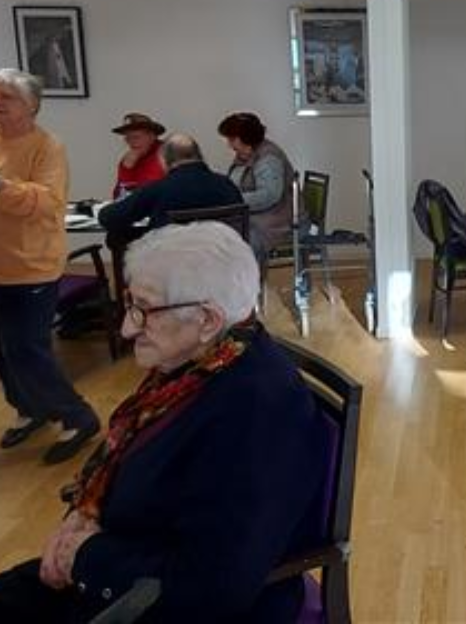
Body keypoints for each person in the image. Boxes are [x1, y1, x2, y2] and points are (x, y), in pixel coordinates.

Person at [0, 222, 331, 621]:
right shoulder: (201, 364)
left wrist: (84, 555)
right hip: (123, 560)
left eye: (144, 310)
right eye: (130, 304)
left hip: (152, 599)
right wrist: (80, 519)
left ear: (207, 320)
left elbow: (209, 588)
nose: (127, 327)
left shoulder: (258, 413)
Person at [0, 69, 100, 465]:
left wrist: (3, 187)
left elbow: (45, 202)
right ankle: (30, 409)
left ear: (31, 106)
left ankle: (78, 417)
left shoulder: (48, 147)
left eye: (6, 97)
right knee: (4, 349)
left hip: (32, 266)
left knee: (28, 347)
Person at [98, 133, 243, 239]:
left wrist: (101, 211)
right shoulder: (227, 184)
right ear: (199, 155)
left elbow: (110, 218)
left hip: (172, 265)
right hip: (224, 262)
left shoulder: (158, 189)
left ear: (164, 160)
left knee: (116, 237)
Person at [218, 112, 293, 261]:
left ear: (245, 138)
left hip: (276, 223)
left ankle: (246, 275)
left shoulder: (269, 159)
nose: (229, 144)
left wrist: (233, 199)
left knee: (236, 244)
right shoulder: (245, 154)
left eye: (232, 139)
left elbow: (269, 195)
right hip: (257, 218)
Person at [111, 113, 166, 199]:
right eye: (127, 138)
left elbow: (152, 190)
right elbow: (118, 196)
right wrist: (126, 170)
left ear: (152, 136)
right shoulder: (128, 159)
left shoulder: (169, 152)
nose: (131, 143)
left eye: (136, 137)